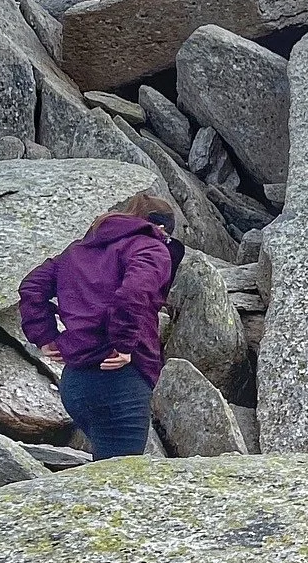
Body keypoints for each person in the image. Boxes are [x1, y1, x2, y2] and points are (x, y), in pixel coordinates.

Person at [18, 192, 185, 460]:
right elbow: (133, 294)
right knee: (120, 479)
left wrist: (45, 336)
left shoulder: (78, 250)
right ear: (161, 228)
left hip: (75, 382)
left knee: (105, 470)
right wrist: (123, 343)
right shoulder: (150, 247)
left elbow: (32, 286)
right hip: (118, 381)